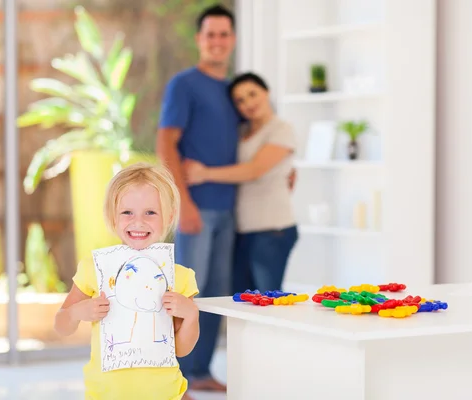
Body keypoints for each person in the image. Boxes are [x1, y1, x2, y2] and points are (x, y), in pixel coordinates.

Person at [53, 163, 200, 400]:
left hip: (165, 394)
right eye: (127, 212)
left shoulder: (180, 277)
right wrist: (77, 312)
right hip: (105, 394)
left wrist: (191, 315)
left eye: (150, 212)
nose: (138, 222)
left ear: (170, 215)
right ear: (113, 216)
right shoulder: (94, 269)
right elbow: (61, 325)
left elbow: (182, 349)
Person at [155, 4, 238, 394]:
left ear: (232, 40)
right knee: (184, 295)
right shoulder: (184, 84)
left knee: (216, 295)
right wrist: (183, 204)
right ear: (199, 40)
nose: (217, 42)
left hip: (228, 209)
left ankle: (201, 371)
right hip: (196, 209)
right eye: (210, 35)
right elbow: (165, 143)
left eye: (224, 35)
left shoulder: (234, 90)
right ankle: (173, 379)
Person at [183, 72, 299, 294]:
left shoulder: (281, 129)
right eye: (240, 100)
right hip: (244, 230)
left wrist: (204, 174)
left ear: (266, 93)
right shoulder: (242, 132)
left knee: (268, 302)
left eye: (252, 94)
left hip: (272, 229)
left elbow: (254, 170)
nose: (248, 103)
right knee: (244, 302)